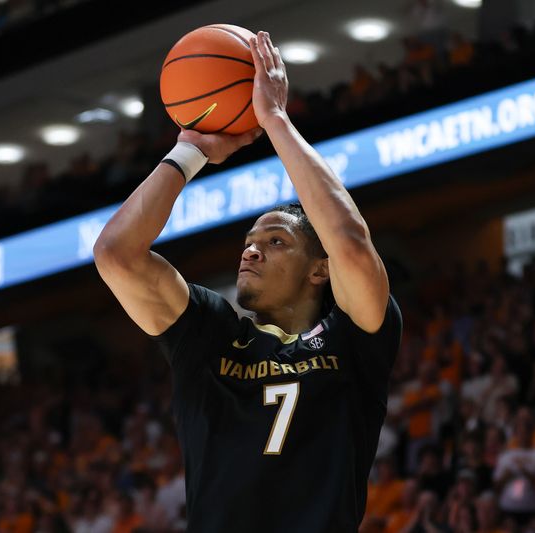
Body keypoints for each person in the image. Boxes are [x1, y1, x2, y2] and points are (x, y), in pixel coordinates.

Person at [93, 30, 402, 533]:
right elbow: (116, 254)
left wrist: (275, 120)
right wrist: (190, 149)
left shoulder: (354, 338)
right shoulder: (210, 332)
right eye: (249, 242)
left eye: (276, 241)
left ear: (319, 269)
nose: (252, 249)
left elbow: (347, 238)